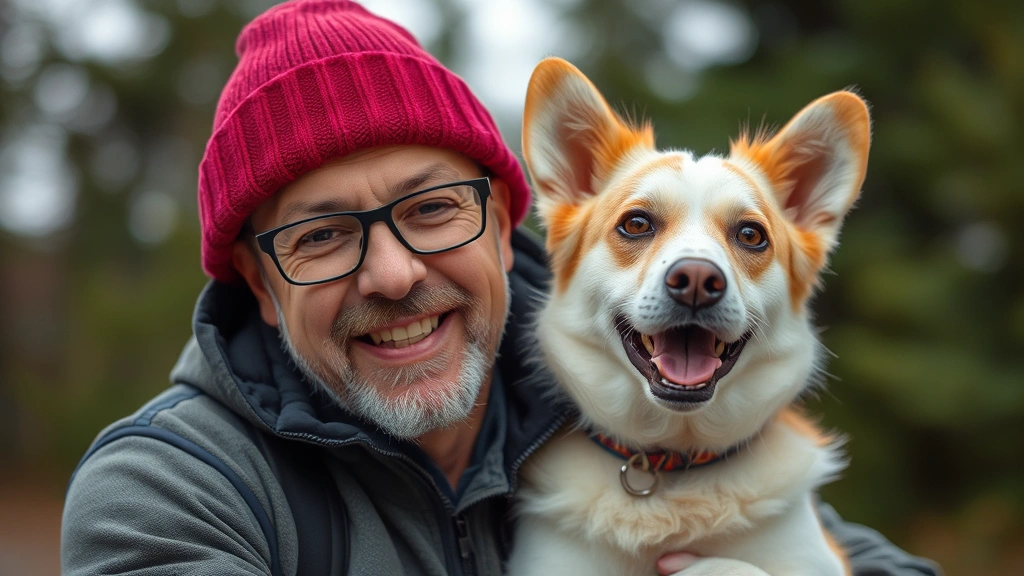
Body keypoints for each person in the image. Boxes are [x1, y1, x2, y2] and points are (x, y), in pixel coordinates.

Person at [61, 2, 941, 575]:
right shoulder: (171, 493)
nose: (395, 272)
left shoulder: (629, 409)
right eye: (321, 234)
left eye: (434, 207)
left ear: (504, 216)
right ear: (258, 282)